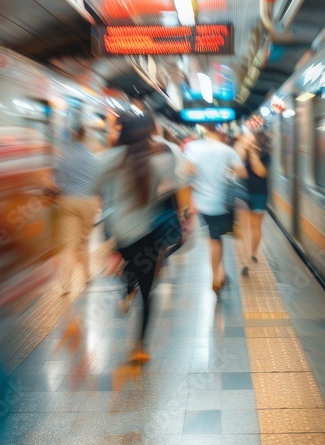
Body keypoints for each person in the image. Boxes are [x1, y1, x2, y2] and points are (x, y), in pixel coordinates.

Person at [96, 115, 188, 363]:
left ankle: (125, 288)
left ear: (123, 132)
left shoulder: (108, 158)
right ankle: (139, 346)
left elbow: (94, 183)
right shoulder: (159, 158)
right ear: (148, 132)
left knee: (128, 266)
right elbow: (177, 184)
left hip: (120, 233)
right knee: (149, 289)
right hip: (148, 232)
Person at [184, 124, 246, 293]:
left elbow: (188, 172)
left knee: (213, 239)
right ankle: (217, 275)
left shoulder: (192, 147)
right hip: (222, 203)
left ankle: (218, 273)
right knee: (216, 239)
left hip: (202, 203)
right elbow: (242, 174)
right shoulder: (227, 150)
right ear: (220, 132)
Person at [53, 123, 100, 295]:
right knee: (84, 241)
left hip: (67, 201)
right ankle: (87, 276)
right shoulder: (93, 158)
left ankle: (65, 283)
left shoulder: (64, 156)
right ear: (86, 138)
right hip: (88, 201)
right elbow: (98, 182)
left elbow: (57, 181)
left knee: (68, 244)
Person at [237, 131, 271, 276]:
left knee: (255, 226)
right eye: (245, 138)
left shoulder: (265, 154)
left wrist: (252, 153)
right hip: (241, 194)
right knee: (244, 228)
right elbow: (239, 172)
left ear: (257, 141)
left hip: (259, 194)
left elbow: (261, 172)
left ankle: (252, 253)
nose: (247, 140)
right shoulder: (239, 154)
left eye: (249, 138)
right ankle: (245, 259)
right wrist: (241, 149)